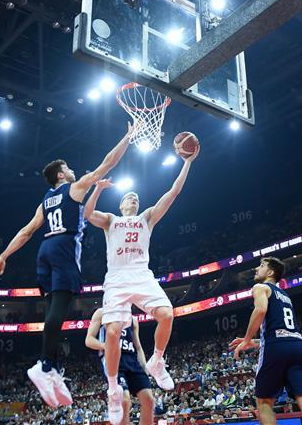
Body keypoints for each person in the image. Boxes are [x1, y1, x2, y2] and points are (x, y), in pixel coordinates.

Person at [0, 122, 138, 407]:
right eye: (68, 167)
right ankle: (45, 366)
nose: (72, 170)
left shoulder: (45, 200)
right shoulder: (74, 188)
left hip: (45, 249)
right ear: (61, 174)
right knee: (59, 311)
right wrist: (128, 137)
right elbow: (106, 164)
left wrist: (3, 256)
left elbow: (26, 232)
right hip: (64, 248)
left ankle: (53, 367)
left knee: (52, 311)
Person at [83, 145, 198, 424]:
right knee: (111, 333)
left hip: (142, 275)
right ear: (122, 205)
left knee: (167, 315)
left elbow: (173, 193)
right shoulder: (111, 220)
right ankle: (112, 389)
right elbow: (87, 214)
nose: (133, 197)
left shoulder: (147, 217)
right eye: (128, 196)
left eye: (135, 195)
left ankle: (157, 361)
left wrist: (188, 163)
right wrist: (97, 189)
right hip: (117, 278)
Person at [229, 257, 302, 425]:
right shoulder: (285, 295)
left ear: (270, 272)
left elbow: (260, 310)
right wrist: (257, 342)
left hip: (277, 348)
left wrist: (247, 339)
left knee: (264, 403)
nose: (256, 269)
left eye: (261, 266)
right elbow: (283, 330)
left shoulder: (261, 287)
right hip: (298, 347)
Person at [86, 307, 155, 425]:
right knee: (125, 400)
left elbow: (138, 347)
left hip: (132, 360)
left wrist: (145, 368)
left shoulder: (133, 319)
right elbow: (89, 340)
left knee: (149, 400)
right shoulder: (102, 313)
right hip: (113, 359)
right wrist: (105, 346)